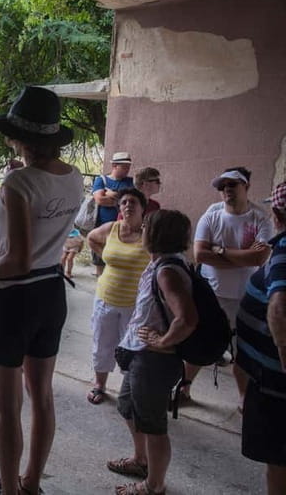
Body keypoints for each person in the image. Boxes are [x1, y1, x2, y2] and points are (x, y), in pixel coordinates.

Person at [0, 86, 83, 495]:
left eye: (12, 133)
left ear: (22, 138)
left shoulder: (17, 183)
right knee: (42, 395)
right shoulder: (73, 176)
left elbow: (17, 260)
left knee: (8, 407)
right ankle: (30, 483)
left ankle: (8, 490)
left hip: (13, 297)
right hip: (50, 291)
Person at [107, 209, 198, 495]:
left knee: (153, 424)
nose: (141, 230)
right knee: (127, 406)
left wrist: (162, 342)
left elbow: (187, 318)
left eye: (146, 227)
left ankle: (154, 484)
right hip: (140, 355)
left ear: (156, 235)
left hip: (155, 361)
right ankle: (140, 460)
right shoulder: (160, 263)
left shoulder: (168, 271)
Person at [188, 167, 273, 407]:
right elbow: (200, 254)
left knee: (242, 351)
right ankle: (184, 388)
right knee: (202, 342)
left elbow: (259, 259)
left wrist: (221, 250)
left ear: (246, 187)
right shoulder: (212, 214)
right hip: (212, 294)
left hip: (247, 297)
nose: (226, 190)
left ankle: (244, 399)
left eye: (232, 185)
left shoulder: (260, 218)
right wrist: (241, 256)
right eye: (222, 186)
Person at [237, 181, 286, 495]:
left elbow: (279, 308)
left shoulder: (283, 250)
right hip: (268, 373)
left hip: (275, 379)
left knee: (278, 457)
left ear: (279, 214)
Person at [86, 188, 150, 405]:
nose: (128, 206)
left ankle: (129, 389)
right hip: (106, 299)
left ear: (143, 207)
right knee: (102, 343)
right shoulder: (111, 229)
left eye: (133, 202)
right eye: (124, 203)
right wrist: (104, 257)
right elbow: (92, 238)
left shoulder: (149, 234)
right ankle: (99, 385)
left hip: (135, 305)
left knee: (132, 347)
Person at [91, 152, 134, 276]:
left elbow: (132, 202)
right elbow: (100, 200)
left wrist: (112, 194)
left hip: (122, 229)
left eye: (129, 166)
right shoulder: (101, 180)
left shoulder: (131, 182)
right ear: (115, 166)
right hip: (102, 227)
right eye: (124, 166)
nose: (127, 169)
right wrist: (120, 201)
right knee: (100, 263)